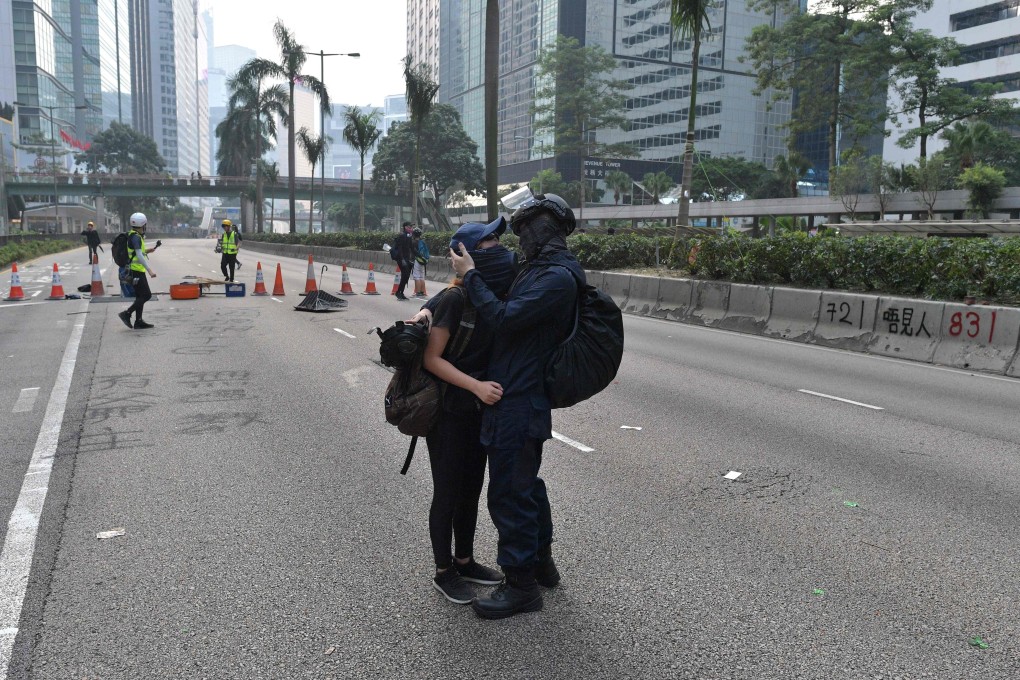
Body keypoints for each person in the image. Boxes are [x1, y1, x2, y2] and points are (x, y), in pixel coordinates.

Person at [449, 193, 582, 619]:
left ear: (545, 228)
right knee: (525, 486)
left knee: (509, 493)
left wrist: (470, 275)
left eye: (526, 229)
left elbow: (505, 317)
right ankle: (541, 564)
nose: (519, 238)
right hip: (513, 394)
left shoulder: (556, 278)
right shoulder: (536, 271)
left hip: (521, 400)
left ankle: (522, 585)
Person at [421, 217, 519, 604]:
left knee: (472, 490)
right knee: (447, 490)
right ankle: (444, 571)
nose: (499, 246)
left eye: (498, 239)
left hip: (478, 412)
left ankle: (465, 559)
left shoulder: (491, 295)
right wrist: (476, 385)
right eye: (489, 241)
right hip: (447, 412)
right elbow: (431, 359)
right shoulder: (454, 299)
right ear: (464, 254)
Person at [117, 212, 158, 330]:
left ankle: (138, 321)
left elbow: (136, 252)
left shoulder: (132, 235)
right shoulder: (136, 237)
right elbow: (139, 256)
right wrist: (149, 270)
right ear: (142, 225)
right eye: (145, 224)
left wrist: (149, 250)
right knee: (146, 295)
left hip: (135, 271)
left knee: (140, 295)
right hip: (136, 271)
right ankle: (127, 313)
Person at [393, 222, 414, 300]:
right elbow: (399, 249)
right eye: (410, 227)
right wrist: (402, 259)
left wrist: (419, 256)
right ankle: (398, 292)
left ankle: (401, 292)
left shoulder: (409, 236)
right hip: (401, 259)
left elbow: (411, 247)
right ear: (405, 227)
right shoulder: (402, 235)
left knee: (406, 276)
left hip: (407, 258)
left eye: (412, 227)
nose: (411, 228)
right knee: (404, 275)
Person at [411, 227, 430, 298]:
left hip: (417, 260)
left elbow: (413, 252)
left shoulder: (413, 242)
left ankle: (418, 292)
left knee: (416, 276)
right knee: (422, 276)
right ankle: (422, 291)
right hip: (423, 260)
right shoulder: (423, 241)